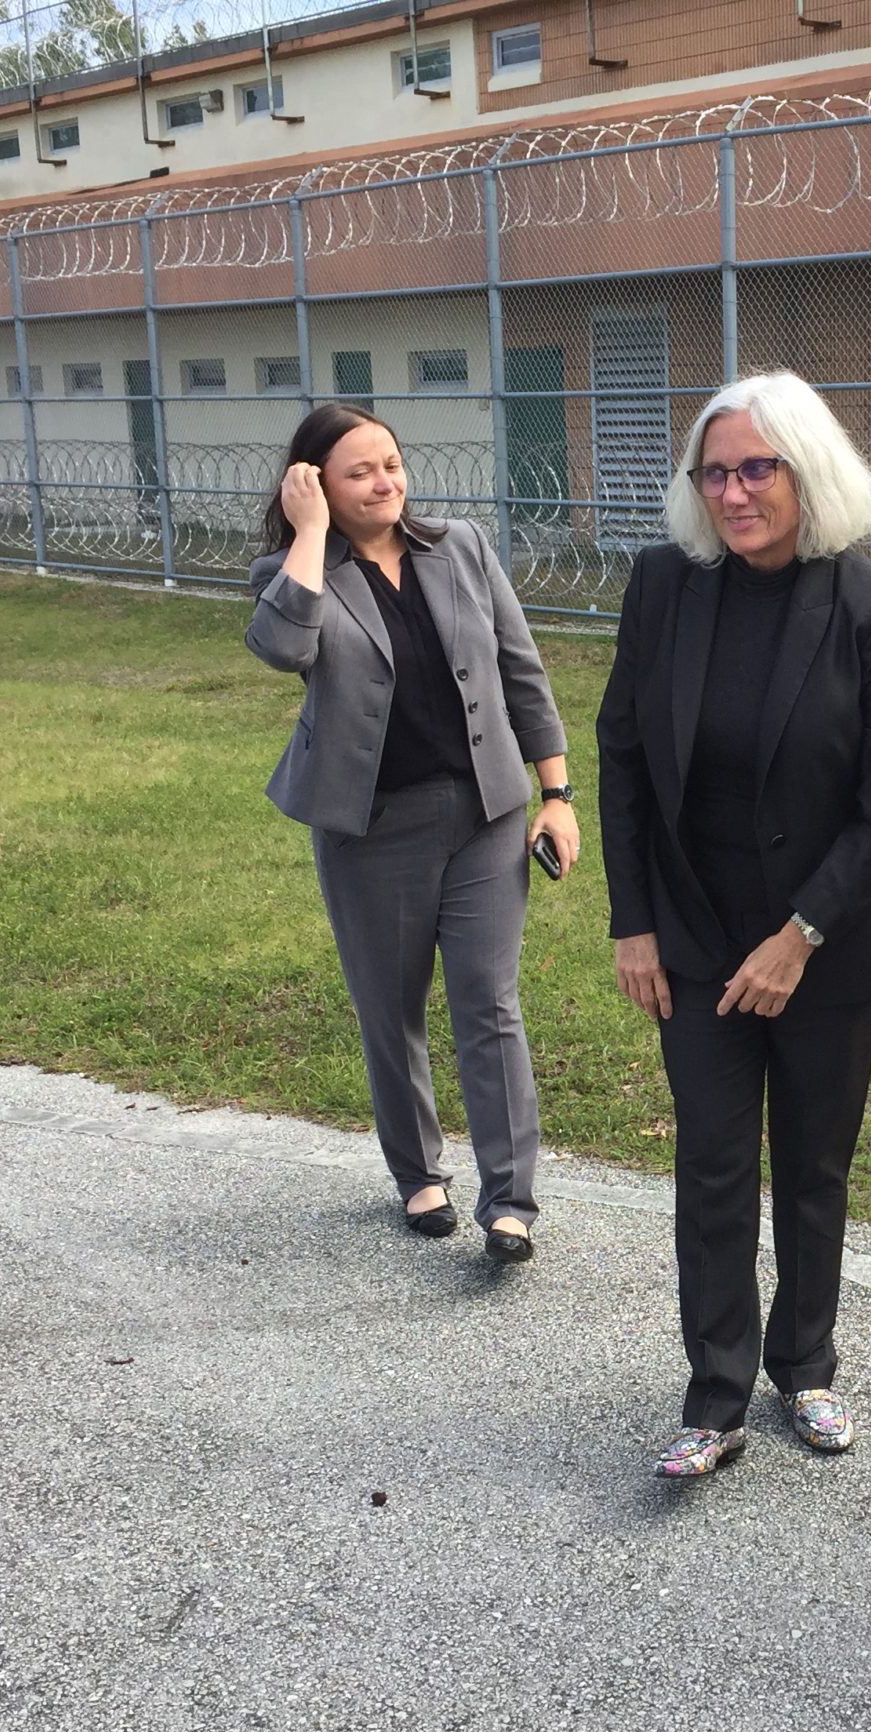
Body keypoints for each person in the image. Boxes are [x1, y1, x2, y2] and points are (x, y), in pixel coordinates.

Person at [596, 370, 871, 1479]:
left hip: (826, 944)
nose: (734, 492)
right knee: (711, 1160)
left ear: (805, 470)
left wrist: (802, 937)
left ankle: (808, 1364)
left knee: (814, 1163)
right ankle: (716, 1395)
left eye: (757, 468)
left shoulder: (870, 606)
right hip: (694, 938)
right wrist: (632, 923)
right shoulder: (664, 587)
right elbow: (625, 762)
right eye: (716, 471)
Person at [245, 403, 579, 1263]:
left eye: (391, 463)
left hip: (486, 816)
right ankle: (417, 1174)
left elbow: (520, 668)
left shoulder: (460, 546)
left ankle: (509, 1202)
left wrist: (558, 791)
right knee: (390, 1010)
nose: (385, 481)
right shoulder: (290, 572)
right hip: (372, 827)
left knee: (489, 1004)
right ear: (314, 484)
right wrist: (310, 533)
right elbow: (285, 647)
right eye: (359, 471)